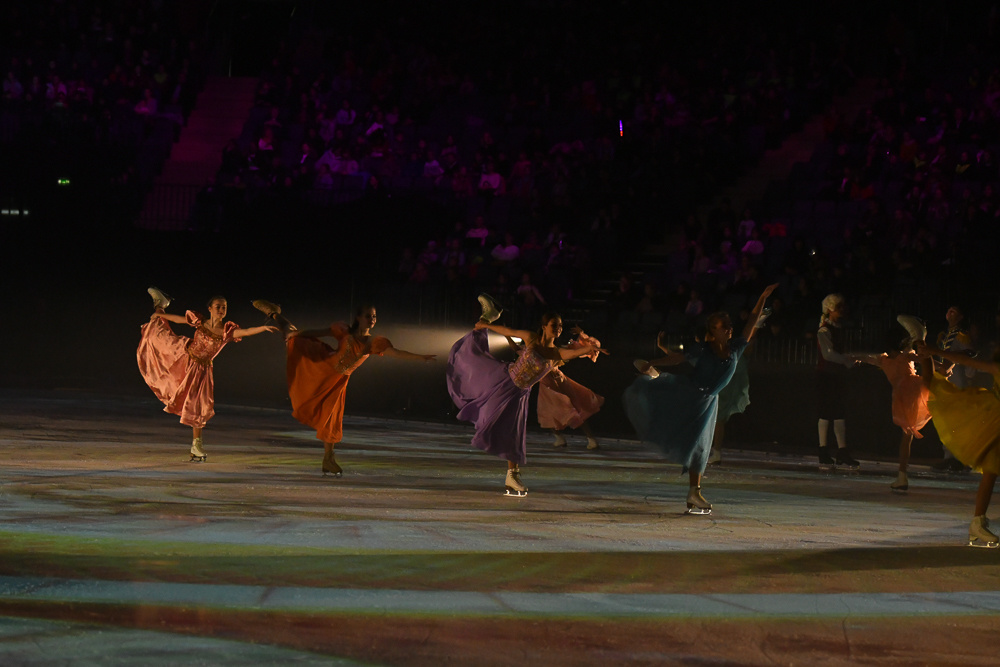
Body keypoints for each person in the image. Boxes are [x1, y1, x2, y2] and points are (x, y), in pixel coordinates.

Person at [627, 284, 778, 514]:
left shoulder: (736, 347)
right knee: (695, 445)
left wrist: (762, 297)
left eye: (729, 325)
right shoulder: (704, 349)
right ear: (713, 331)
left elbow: (752, 322)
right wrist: (655, 362)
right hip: (692, 396)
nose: (729, 329)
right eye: (723, 326)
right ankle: (654, 378)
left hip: (709, 401)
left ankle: (694, 491)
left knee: (701, 448)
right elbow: (678, 358)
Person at [253, 300, 435, 477]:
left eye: (374, 316)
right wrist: (298, 334)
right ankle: (274, 312)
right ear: (358, 317)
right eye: (368, 316)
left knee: (331, 419)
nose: (371, 319)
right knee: (291, 334)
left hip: (338, 380)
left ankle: (328, 459)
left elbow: (396, 353)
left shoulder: (373, 342)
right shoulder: (344, 331)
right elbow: (319, 332)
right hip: (322, 364)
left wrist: (421, 358)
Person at [447, 295, 603, 496]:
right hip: (504, 381)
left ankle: (512, 475)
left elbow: (572, 353)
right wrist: (486, 326)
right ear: (544, 326)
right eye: (554, 325)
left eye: (560, 326)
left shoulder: (556, 354)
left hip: (520, 394)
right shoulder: (531, 338)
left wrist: (590, 347)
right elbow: (509, 331)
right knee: (484, 402)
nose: (558, 329)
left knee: (513, 434)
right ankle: (487, 317)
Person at [137, 288, 277, 461]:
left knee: (197, 407)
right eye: (218, 306)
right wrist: (161, 316)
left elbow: (245, 332)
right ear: (210, 308)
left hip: (200, 371)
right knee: (158, 336)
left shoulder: (226, 331)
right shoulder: (200, 322)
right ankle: (161, 305)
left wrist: (262, 328)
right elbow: (179, 320)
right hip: (183, 355)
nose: (221, 310)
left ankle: (197, 445)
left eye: (224, 307)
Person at [915, 339, 1000, 548]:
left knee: (991, 470)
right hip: (992, 419)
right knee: (991, 469)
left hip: (993, 419)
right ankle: (977, 522)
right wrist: (933, 350)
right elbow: (962, 360)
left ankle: (977, 523)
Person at [856, 316, 932, 492]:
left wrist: (853, 357)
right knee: (908, 435)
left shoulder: (885, 359)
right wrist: (943, 367)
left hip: (905, 398)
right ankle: (901, 476)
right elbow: (926, 361)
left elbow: (867, 358)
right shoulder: (903, 357)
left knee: (907, 436)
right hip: (913, 393)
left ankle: (902, 475)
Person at [532, 327, 605, 450]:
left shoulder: (557, 348)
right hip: (547, 381)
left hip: (555, 379)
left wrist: (581, 334)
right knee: (548, 411)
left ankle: (590, 439)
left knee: (573, 408)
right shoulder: (536, 349)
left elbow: (578, 349)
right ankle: (561, 438)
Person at [816, 293, 862, 469]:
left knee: (838, 412)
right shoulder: (825, 330)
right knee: (826, 412)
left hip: (835, 375)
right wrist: (847, 361)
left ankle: (841, 450)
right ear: (830, 309)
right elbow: (828, 354)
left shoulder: (835, 329)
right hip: (826, 375)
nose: (842, 310)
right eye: (838, 307)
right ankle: (823, 449)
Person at [932, 304, 975, 472]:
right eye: (948, 310)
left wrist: (970, 377)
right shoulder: (943, 336)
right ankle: (948, 457)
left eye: (954, 311)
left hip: (958, 382)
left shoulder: (962, 337)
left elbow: (970, 359)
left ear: (961, 317)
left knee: (959, 421)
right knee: (946, 421)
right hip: (944, 381)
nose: (949, 313)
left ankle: (960, 458)